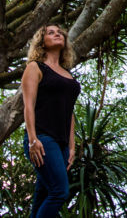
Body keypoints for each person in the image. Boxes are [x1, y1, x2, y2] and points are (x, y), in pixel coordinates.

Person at [21, 24, 81, 218]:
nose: (57, 34)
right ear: (42, 42)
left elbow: (69, 112)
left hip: (62, 144)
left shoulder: (69, 75)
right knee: (59, 192)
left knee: (43, 195)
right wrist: (32, 139)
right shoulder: (35, 67)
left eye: (60, 33)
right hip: (42, 139)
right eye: (51, 33)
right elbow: (28, 106)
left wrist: (71, 146)